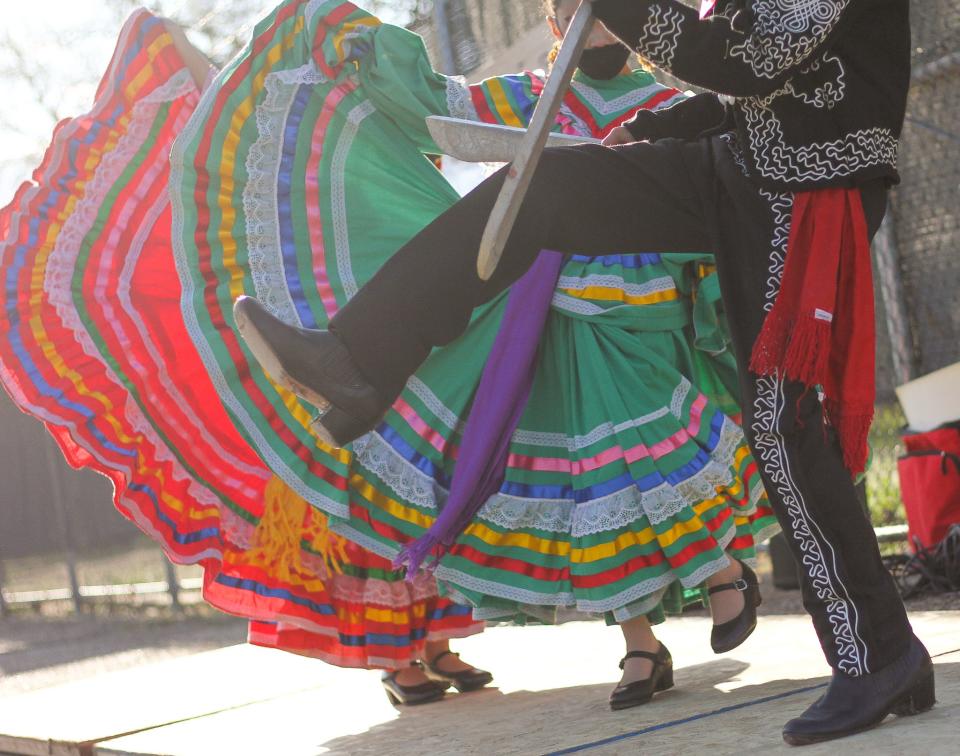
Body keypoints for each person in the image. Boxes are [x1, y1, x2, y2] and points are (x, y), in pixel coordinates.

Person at [234, 0, 935, 745]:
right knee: (549, 186)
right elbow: (749, 87)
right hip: (740, 167)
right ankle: (354, 363)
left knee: (782, 426)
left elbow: (747, 60)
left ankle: (880, 656)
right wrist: (660, 127)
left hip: (808, 192)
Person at [173, 0, 776, 710]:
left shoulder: (671, 100)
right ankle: (644, 639)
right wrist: (366, 49)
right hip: (547, 310)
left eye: (610, 9)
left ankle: (719, 569)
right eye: (579, 11)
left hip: (645, 305)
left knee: (648, 438)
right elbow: (439, 105)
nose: (600, 22)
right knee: (596, 471)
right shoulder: (530, 96)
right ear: (558, 27)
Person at [0, 8, 489, 707]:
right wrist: (168, 40)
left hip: (374, 307)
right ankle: (395, 653)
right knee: (352, 484)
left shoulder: (330, 118)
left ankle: (437, 641)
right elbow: (189, 69)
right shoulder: (240, 136)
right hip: (303, 333)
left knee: (417, 469)